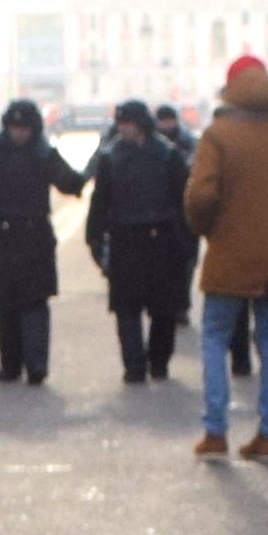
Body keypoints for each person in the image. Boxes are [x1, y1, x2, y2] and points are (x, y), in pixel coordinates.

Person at [183, 55, 268, 460]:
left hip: (230, 251)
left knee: (215, 337)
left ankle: (215, 431)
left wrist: (206, 227)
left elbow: (201, 195)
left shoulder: (218, 135)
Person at [0, 96, 78, 385]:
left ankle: (36, 365)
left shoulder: (43, 152)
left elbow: (69, 182)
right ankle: (10, 365)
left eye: (24, 128)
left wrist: (90, 171)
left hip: (32, 232)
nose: (19, 133)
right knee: (5, 304)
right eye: (14, 127)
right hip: (0, 232)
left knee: (34, 302)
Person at [83, 94, 192, 384]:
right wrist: (94, 237)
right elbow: (100, 201)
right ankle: (133, 365)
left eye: (129, 123)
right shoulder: (111, 157)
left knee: (164, 310)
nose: (125, 129)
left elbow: (184, 199)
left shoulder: (167, 155)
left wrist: (186, 239)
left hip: (162, 237)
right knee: (126, 309)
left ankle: (158, 361)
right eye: (121, 123)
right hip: (125, 238)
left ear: (142, 124)